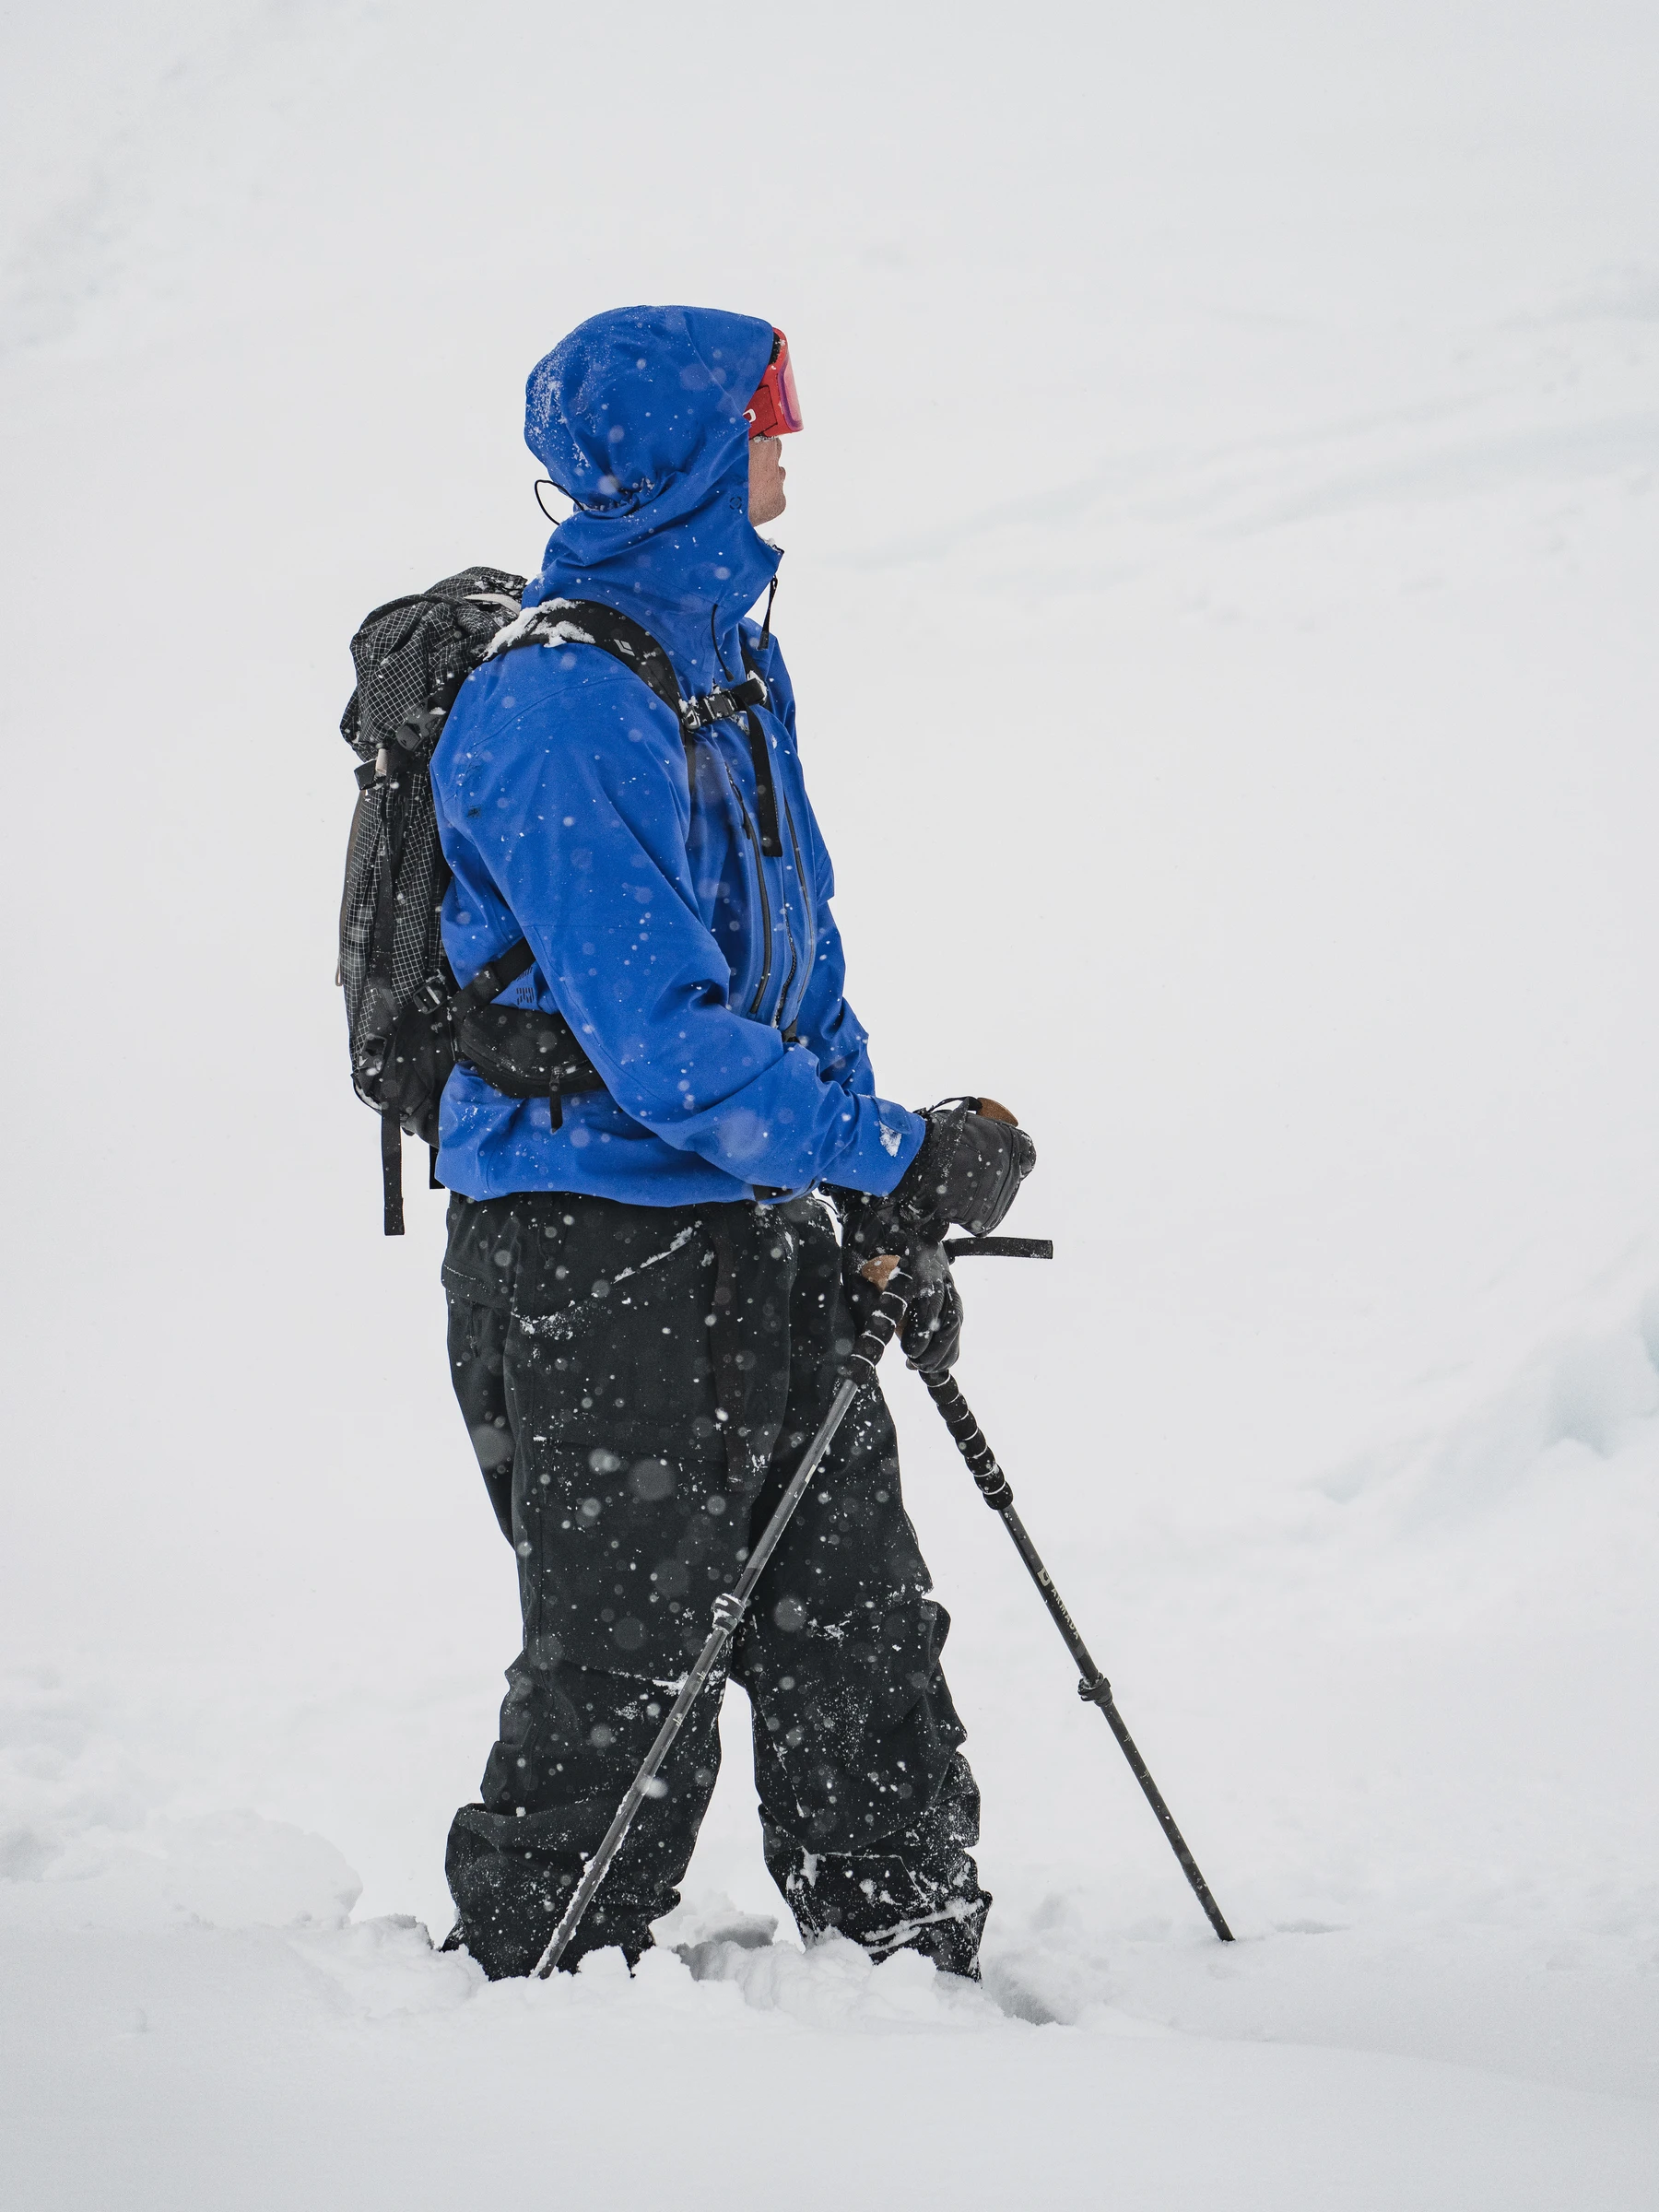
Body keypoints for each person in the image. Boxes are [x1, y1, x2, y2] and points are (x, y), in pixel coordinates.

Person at [429, 304, 1034, 1980]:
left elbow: (796, 964)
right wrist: (883, 1146)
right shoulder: (558, 706)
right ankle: (538, 1984)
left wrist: (874, 1192)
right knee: (633, 1647)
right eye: (764, 417)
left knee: (856, 1608)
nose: (787, 445)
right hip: (584, 1239)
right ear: (685, 454)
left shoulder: (729, 662)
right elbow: (665, 1043)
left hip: (751, 1216)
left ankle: (903, 1953)